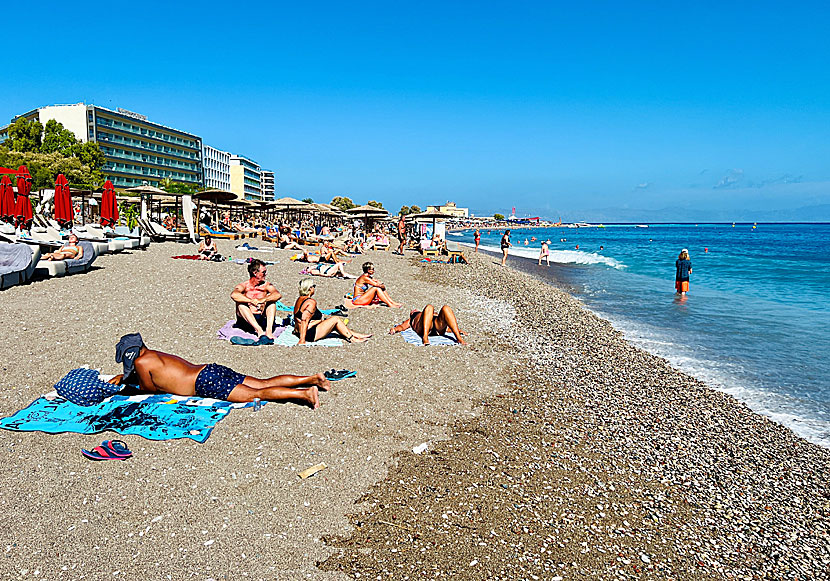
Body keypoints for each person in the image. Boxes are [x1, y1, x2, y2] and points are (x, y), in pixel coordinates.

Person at [109, 333, 326, 408]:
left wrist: (129, 386)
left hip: (203, 383)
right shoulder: (153, 355)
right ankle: (312, 378)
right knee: (263, 383)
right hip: (209, 369)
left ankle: (304, 394)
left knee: (254, 395)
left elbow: (148, 390)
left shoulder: (140, 363)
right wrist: (126, 377)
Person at [294, 278, 371, 344]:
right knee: (336, 319)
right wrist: (302, 340)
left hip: (299, 331)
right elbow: (304, 319)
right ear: (310, 288)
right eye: (314, 286)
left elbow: (298, 318)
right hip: (309, 334)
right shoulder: (311, 302)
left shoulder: (299, 299)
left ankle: (356, 335)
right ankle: (352, 338)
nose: (314, 288)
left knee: (335, 324)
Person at [231, 259, 282, 340]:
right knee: (240, 304)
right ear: (255, 273)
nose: (266, 274)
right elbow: (234, 295)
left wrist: (262, 300)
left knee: (272, 303)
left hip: (261, 317)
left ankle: (269, 331)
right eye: (263, 272)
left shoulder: (266, 285)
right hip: (246, 320)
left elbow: (277, 295)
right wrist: (251, 301)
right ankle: (259, 331)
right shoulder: (244, 285)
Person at [388, 304, 468, 346]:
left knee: (446, 308)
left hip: (436, 327)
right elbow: (402, 327)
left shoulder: (430, 314)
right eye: (413, 311)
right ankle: (425, 337)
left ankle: (458, 338)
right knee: (429, 307)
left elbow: (447, 327)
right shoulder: (411, 319)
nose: (413, 310)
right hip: (423, 329)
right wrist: (395, 329)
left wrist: (458, 331)